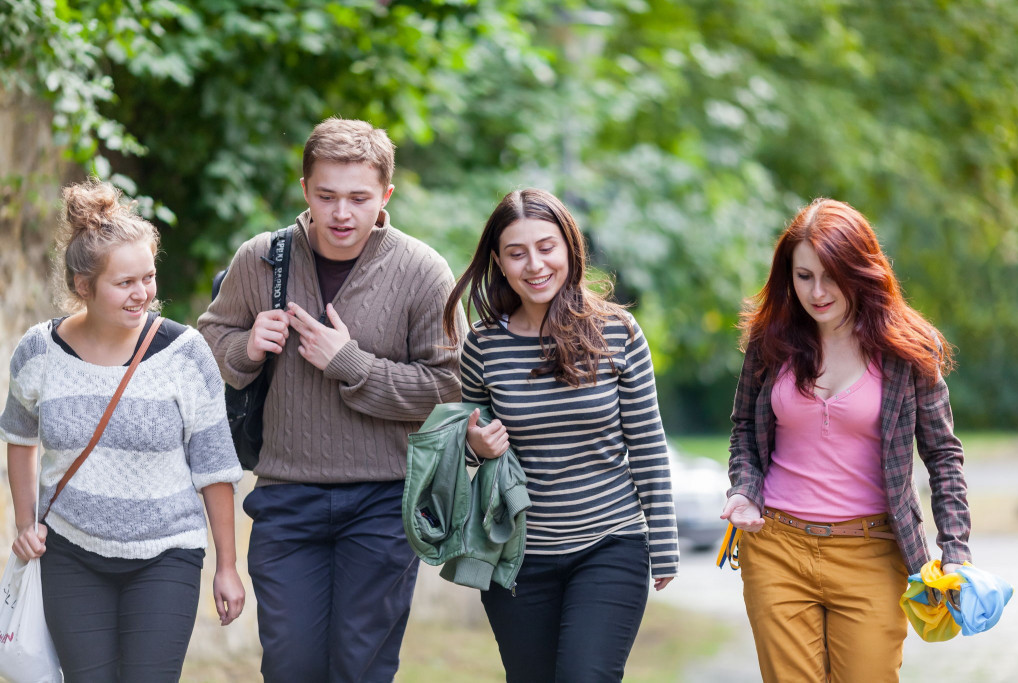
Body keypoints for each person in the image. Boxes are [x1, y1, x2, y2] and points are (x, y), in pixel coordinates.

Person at [197, 117, 465, 682]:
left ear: (386, 196)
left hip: (385, 503)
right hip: (286, 500)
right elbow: (209, 344)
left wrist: (351, 364)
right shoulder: (261, 258)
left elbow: (451, 386)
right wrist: (245, 347)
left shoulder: (423, 271)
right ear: (304, 191)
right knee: (290, 666)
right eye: (327, 196)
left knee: (357, 668)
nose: (342, 213)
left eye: (359, 198)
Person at [0, 178, 245, 682]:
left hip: (167, 555)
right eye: (125, 283)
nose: (143, 294)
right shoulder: (37, 351)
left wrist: (226, 564)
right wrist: (25, 524)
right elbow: (19, 437)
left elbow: (215, 466)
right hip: (70, 552)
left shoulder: (186, 352)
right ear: (82, 286)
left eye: (148, 278)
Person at [721, 198, 972, 682]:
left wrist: (956, 550)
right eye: (804, 276)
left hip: (873, 550)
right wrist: (743, 489)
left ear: (861, 268)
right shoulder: (769, 341)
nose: (818, 292)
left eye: (832, 275)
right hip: (777, 547)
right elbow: (744, 434)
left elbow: (943, 456)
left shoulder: (909, 351)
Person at [441, 188, 679, 683]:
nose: (535, 264)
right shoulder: (483, 346)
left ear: (570, 248)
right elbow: (470, 442)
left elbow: (648, 444)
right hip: (518, 553)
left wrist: (663, 542)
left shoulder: (618, 332)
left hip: (609, 543)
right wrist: (474, 445)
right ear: (499, 262)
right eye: (517, 252)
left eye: (546, 247)